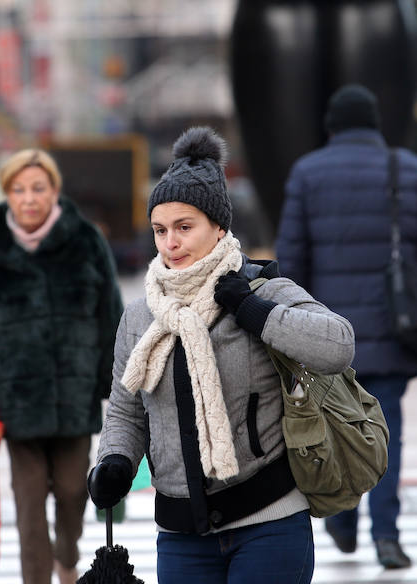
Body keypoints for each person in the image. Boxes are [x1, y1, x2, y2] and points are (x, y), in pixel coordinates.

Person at [86, 126, 355, 584]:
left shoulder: (259, 291)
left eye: (185, 227)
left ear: (220, 227)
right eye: (160, 230)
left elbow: (337, 345)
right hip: (181, 534)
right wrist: (115, 462)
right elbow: (127, 412)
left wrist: (255, 312)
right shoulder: (139, 316)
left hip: (268, 523)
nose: (170, 242)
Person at [275, 83, 417, 569]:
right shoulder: (409, 169)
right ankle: (387, 535)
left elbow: (290, 263)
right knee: (387, 428)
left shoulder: (306, 173)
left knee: (335, 422)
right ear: (376, 124)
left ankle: (341, 514)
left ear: (331, 126)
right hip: (395, 329)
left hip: (324, 335)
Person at [0, 148, 123, 584]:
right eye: (18, 190)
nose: (29, 199)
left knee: (76, 491)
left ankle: (67, 556)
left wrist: (113, 381)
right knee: (29, 503)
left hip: (75, 398)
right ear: (7, 195)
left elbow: (110, 316)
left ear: (54, 191)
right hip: (18, 400)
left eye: (38, 188)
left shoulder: (85, 240)